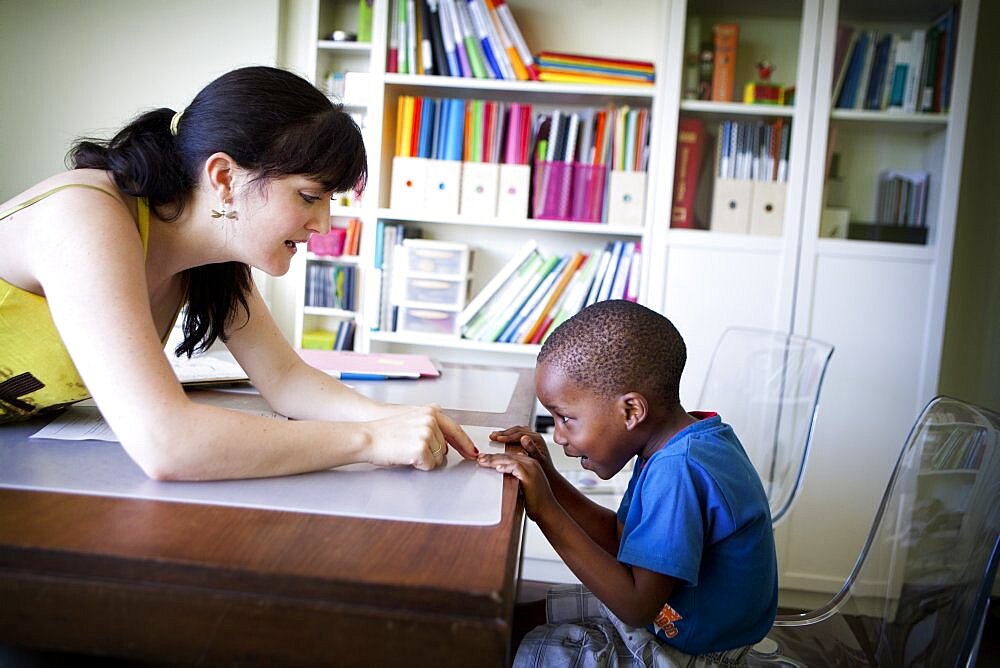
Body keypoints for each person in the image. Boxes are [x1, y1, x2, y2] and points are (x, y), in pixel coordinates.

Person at [0, 65, 476, 480]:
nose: (324, 224)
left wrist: (399, 420)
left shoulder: (212, 257)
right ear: (224, 178)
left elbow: (286, 379)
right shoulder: (85, 218)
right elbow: (166, 442)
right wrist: (369, 441)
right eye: (310, 196)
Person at [478, 300, 777, 666]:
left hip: (698, 649)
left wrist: (546, 511)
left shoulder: (676, 471)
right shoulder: (677, 443)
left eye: (565, 418)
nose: (558, 436)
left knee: (529, 653)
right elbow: (623, 540)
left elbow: (637, 606)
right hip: (675, 613)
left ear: (631, 411)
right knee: (514, 620)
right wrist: (551, 480)